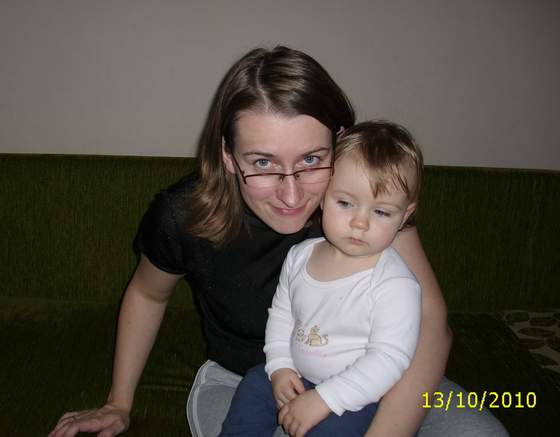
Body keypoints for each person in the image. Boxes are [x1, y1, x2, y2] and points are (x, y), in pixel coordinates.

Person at [48, 46, 508, 437]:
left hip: (375, 374)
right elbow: (148, 294)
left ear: (339, 142)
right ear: (229, 156)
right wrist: (119, 403)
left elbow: (430, 321)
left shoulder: (365, 202)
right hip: (244, 380)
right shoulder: (181, 213)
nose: (291, 196)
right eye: (263, 163)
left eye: (311, 159)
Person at [219, 121, 423, 437]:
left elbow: (388, 359)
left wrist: (325, 399)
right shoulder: (300, 256)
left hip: (357, 396)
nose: (360, 223)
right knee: (253, 387)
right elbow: (283, 316)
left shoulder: (396, 284)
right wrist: (280, 366)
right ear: (324, 196)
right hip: (298, 375)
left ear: (405, 215)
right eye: (345, 203)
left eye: (381, 212)